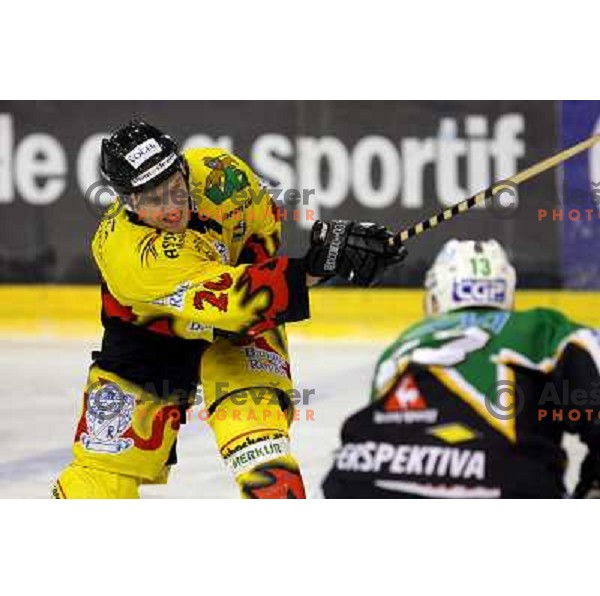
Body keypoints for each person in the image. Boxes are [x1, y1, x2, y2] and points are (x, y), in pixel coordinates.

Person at [53, 118, 406, 499]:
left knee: (265, 460)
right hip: (150, 337)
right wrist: (311, 270)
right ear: (128, 202)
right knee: (101, 480)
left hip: (237, 326)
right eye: (154, 200)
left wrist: (324, 259)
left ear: (185, 171)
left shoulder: (224, 177)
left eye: (176, 189)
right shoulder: (130, 256)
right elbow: (236, 299)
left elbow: (263, 229)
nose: (172, 209)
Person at [322, 239, 600, 498]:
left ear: (435, 295)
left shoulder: (403, 345)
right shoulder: (543, 327)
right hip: (501, 478)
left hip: (360, 477)